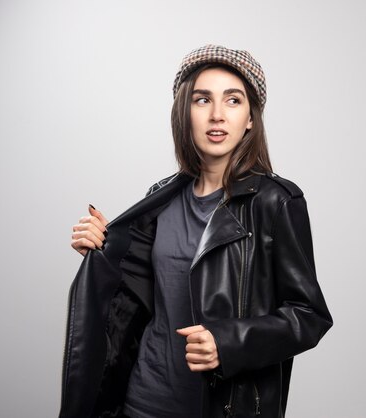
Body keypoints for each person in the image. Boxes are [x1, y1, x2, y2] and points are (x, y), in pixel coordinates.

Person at [60, 45, 332, 418]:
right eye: (203, 100)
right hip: (143, 400)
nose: (217, 115)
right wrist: (104, 249)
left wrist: (229, 343)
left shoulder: (276, 202)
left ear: (250, 118)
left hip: (221, 407)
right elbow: (137, 297)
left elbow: (310, 315)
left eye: (233, 101)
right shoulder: (160, 197)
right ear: (184, 112)